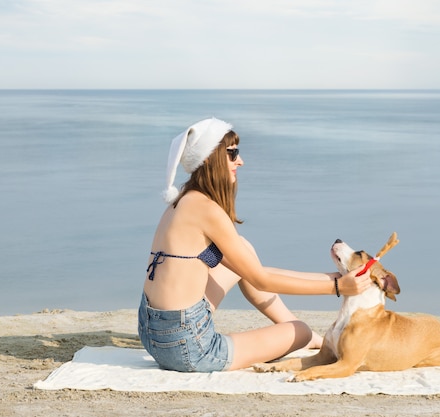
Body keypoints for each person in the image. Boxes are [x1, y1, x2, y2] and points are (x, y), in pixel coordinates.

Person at [138, 117, 372, 372]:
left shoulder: (183, 202)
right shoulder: (207, 210)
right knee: (300, 332)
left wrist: (332, 277)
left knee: (243, 248)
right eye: (232, 153)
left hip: (151, 331)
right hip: (188, 347)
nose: (240, 161)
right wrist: (337, 287)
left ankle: (305, 334)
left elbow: (251, 271)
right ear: (209, 158)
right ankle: (305, 336)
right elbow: (261, 279)